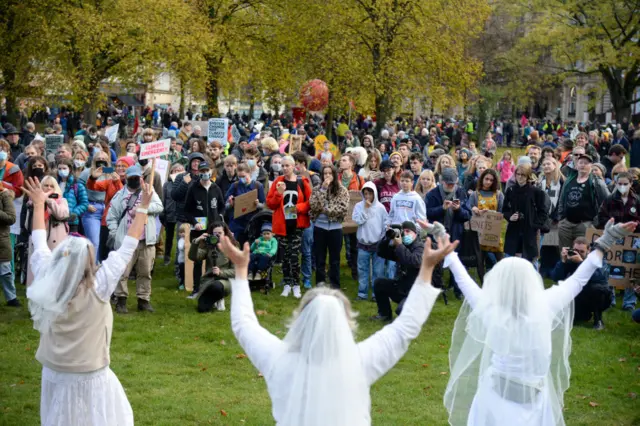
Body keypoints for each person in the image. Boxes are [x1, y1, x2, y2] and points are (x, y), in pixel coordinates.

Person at [219, 222, 454, 425]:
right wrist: (427, 268)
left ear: (301, 319)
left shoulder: (279, 359)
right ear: (345, 323)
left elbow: (244, 324)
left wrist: (240, 270)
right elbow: (406, 327)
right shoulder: (359, 361)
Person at [442, 219, 636, 426]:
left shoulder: (490, 310)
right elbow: (579, 279)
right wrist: (605, 241)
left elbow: (464, 281)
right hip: (534, 401)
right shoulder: (546, 304)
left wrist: (447, 249)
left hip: (494, 397)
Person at [22, 178, 155, 426]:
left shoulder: (45, 274)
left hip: (55, 371)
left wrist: (39, 205)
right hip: (89, 373)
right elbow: (128, 244)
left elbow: (39, 240)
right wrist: (143, 207)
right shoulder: (100, 285)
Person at [107, 165, 163, 314]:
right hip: (126, 241)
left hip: (146, 239)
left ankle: (143, 300)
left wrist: (143, 208)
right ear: (126, 179)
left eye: (137, 178)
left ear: (141, 178)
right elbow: (111, 217)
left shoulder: (149, 191)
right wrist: (115, 234)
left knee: (145, 271)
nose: (134, 180)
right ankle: (121, 300)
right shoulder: (119, 196)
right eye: (131, 178)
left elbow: (159, 206)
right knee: (122, 272)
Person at [266, 155, 312, 299]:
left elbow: (310, 202)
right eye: (283, 166)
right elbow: (270, 204)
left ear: (294, 167)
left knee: (294, 255)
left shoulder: (302, 182)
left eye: (287, 165)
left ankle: (296, 284)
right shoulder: (278, 182)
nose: (285, 168)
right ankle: (287, 284)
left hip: (297, 224)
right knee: (285, 255)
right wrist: (279, 195)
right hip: (282, 224)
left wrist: (297, 208)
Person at [595, 171, 640, 311]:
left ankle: (629, 302)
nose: (622, 186)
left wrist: (633, 227)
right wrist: (612, 227)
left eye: (625, 184)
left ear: (631, 184)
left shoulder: (637, 201)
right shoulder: (609, 200)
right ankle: (610, 299)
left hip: (632, 238)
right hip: (613, 237)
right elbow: (600, 217)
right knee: (609, 268)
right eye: (619, 184)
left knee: (630, 270)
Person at [425, 167, 472, 299]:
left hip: (455, 234)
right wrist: (442, 208)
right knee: (435, 264)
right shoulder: (432, 194)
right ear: (441, 181)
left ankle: (458, 291)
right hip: (437, 236)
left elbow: (468, 215)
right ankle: (434, 290)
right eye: (448, 183)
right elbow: (427, 213)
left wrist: (458, 210)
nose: (451, 186)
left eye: (453, 183)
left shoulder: (461, 193)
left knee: (457, 264)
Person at [183, 161, 225, 298]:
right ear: (199, 173)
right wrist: (194, 222)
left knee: (212, 260)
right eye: (202, 171)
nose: (204, 173)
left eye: (206, 170)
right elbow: (186, 210)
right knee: (198, 260)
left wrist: (219, 217)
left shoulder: (216, 188)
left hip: (213, 231)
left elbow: (222, 206)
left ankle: (208, 288)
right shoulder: (193, 188)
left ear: (211, 171)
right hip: (198, 232)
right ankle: (196, 289)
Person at [551, 237, 610, 329]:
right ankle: (583, 314)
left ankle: (598, 319)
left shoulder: (597, 259)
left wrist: (581, 262)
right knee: (578, 318)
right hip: (577, 297)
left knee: (597, 288)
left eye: (582, 252)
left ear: (588, 250)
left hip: (596, 295)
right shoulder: (570, 260)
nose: (578, 254)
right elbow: (556, 278)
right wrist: (562, 261)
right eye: (576, 250)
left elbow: (599, 277)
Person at [372, 221, 425, 321]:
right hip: (402, 287)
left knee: (401, 311)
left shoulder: (420, 247)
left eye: (408, 231)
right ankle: (384, 314)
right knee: (379, 283)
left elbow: (414, 262)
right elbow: (381, 252)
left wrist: (400, 246)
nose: (405, 234)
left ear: (415, 233)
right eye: (403, 231)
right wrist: (387, 238)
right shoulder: (401, 246)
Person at [309, 165, 349, 289]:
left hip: (335, 229)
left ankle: (335, 286)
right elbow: (314, 206)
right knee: (320, 259)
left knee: (335, 260)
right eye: (325, 173)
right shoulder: (317, 189)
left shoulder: (342, 190)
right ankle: (320, 286)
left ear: (334, 175)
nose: (327, 176)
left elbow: (342, 209)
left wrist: (325, 210)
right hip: (320, 228)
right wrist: (323, 190)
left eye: (329, 173)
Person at [557, 154, 609, 249]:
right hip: (566, 224)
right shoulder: (569, 180)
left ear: (591, 166)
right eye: (580, 162)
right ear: (576, 165)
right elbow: (561, 199)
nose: (583, 165)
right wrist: (561, 219)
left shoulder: (597, 182)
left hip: (585, 224)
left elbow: (607, 202)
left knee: (582, 254)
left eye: (586, 163)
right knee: (564, 253)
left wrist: (595, 223)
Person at [502, 164, 548, 262]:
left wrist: (535, 224)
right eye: (518, 174)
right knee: (510, 257)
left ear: (527, 176)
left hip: (529, 230)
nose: (519, 177)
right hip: (514, 228)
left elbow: (543, 212)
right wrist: (510, 217)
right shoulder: (510, 190)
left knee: (530, 259)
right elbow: (505, 209)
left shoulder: (536, 192)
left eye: (523, 175)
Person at [189, 222, 236, 313]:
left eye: (220, 233)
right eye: (215, 233)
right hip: (209, 280)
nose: (217, 236)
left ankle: (219, 297)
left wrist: (221, 272)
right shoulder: (209, 246)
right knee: (202, 309)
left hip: (226, 280)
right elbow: (193, 257)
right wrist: (197, 241)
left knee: (216, 286)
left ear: (225, 233)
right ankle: (214, 299)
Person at [353, 181, 388, 301]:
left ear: (375, 194)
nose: (368, 196)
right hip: (363, 243)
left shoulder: (381, 208)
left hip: (377, 243)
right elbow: (358, 221)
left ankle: (376, 294)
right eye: (365, 194)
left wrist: (382, 238)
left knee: (378, 271)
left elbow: (385, 223)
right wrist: (366, 210)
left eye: (370, 194)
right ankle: (362, 293)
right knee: (362, 270)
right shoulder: (359, 206)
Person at [468, 169, 504, 281]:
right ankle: (483, 285)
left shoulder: (498, 195)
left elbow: (502, 211)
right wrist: (474, 209)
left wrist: (492, 213)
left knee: (500, 258)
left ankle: (501, 282)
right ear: (482, 179)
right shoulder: (474, 194)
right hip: (479, 231)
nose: (488, 182)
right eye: (486, 179)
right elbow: (469, 209)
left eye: (491, 180)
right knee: (480, 259)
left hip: (494, 231)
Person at [225, 163, 266, 244]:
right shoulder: (235, 185)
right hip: (237, 222)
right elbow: (226, 206)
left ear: (249, 173)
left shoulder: (258, 186)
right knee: (235, 244)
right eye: (239, 177)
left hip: (252, 221)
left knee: (250, 246)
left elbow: (264, 206)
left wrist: (257, 204)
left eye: (243, 176)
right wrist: (230, 204)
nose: (241, 179)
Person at [538, 157, 565, 277]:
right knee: (543, 244)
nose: (546, 166)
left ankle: (554, 269)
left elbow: (562, 200)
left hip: (555, 218)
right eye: (544, 164)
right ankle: (544, 268)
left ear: (555, 165)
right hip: (543, 217)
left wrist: (557, 216)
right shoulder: (541, 181)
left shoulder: (562, 181)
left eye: (548, 164)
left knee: (554, 244)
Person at [161, 163, 185, 266]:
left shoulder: (185, 183)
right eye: (175, 171)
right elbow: (163, 199)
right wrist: (163, 213)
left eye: (180, 170)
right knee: (169, 237)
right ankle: (167, 257)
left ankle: (180, 258)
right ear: (171, 173)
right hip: (170, 213)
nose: (178, 172)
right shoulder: (167, 184)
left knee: (181, 237)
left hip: (181, 214)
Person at [0, 183, 19, 306]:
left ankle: (11, 298)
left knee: (5, 271)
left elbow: (11, 218)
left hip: (1, 240)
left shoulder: (4, 195)